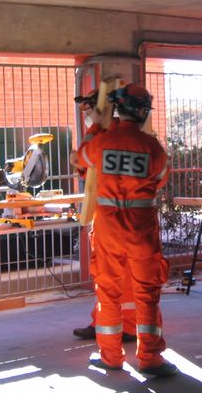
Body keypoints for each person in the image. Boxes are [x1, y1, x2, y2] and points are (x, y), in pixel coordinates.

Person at [75, 83, 177, 377]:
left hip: (108, 230)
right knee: (147, 294)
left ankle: (110, 357)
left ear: (118, 108)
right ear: (143, 112)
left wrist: (96, 126)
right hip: (142, 231)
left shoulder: (101, 142)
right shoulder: (153, 148)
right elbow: (160, 180)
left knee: (109, 293)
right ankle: (151, 358)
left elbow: (80, 161)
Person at [71, 90, 137, 343]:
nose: (88, 115)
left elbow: (82, 158)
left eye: (91, 110)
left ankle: (125, 326)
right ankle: (104, 321)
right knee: (107, 275)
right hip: (116, 216)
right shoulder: (121, 136)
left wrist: (95, 126)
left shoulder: (108, 137)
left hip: (115, 219)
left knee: (119, 275)